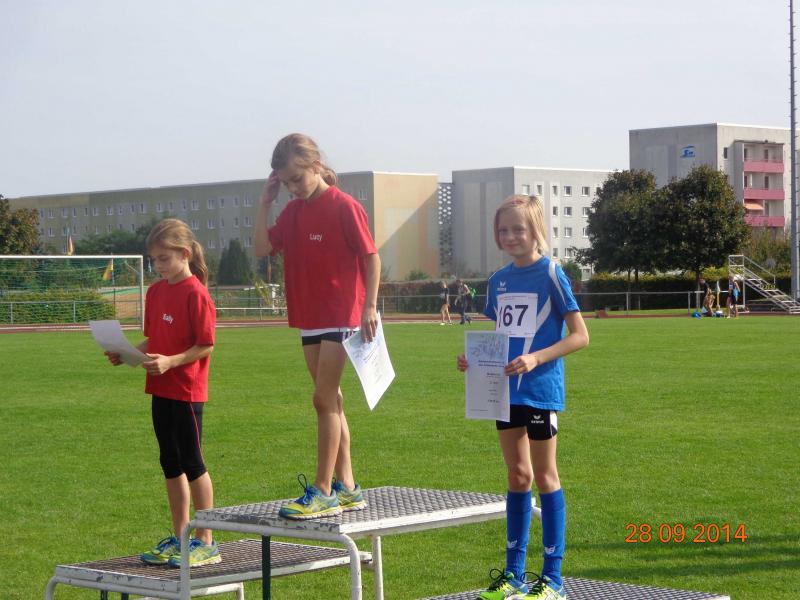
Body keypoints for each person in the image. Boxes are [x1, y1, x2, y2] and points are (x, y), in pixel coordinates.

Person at [457, 195, 589, 600]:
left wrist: (536, 358)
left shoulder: (551, 273)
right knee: (517, 476)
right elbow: (501, 336)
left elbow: (580, 336)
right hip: (504, 392)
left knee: (545, 477)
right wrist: (475, 361)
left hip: (540, 391)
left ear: (536, 231)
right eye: (503, 230)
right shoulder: (497, 281)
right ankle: (514, 574)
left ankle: (553, 579)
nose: (511, 236)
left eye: (518, 228)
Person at [254, 133, 379, 519]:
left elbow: (371, 257)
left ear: (316, 166)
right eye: (285, 183)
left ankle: (323, 490)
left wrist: (370, 307)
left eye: (297, 179)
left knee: (323, 400)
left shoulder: (344, 206)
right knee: (332, 401)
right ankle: (348, 486)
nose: (293, 188)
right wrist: (265, 203)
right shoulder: (292, 212)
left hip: (342, 314)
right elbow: (261, 248)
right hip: (309, 316)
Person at [104, 218, 220, 568]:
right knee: (169, 462)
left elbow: (206, 344)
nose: (158, 266)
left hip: (186, 391)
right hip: (160, 389)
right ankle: (181, 536)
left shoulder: (196, 293)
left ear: (185, 254)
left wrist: (171, 362)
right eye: (154, 259)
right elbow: (153, 339)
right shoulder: (155, 292)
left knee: (192, 463)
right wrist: (125, 352)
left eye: (164, 258)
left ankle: (206, 541)